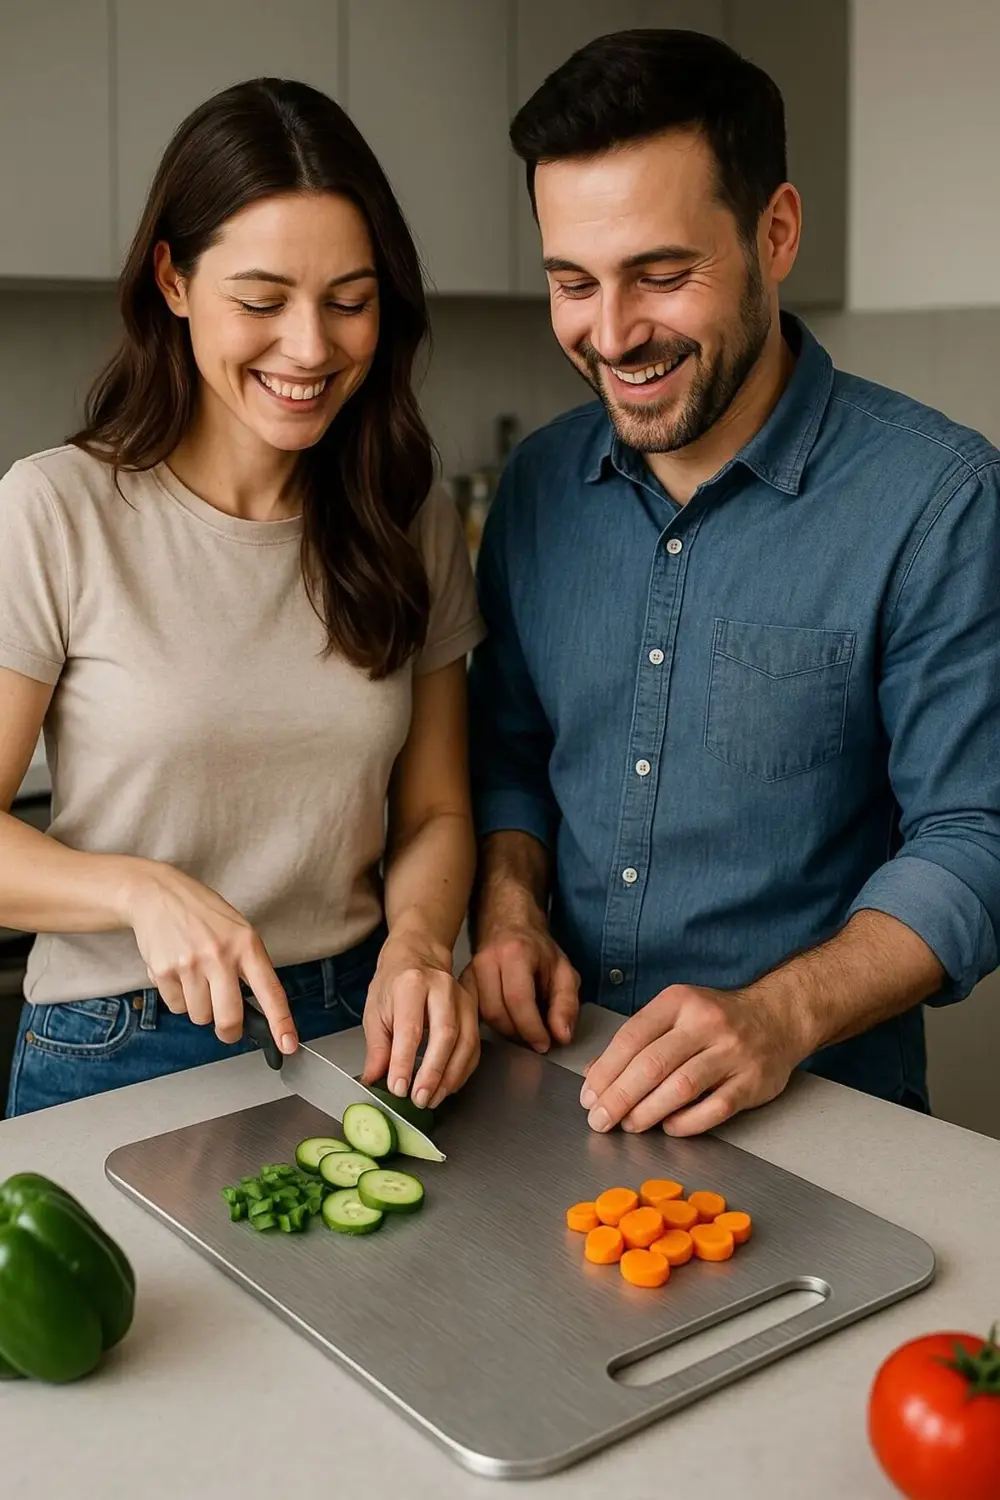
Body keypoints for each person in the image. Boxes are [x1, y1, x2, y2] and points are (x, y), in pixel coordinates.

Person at [463, 30, 1000, 1136]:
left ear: (776, 232)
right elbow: (511, 754)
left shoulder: (939, 499)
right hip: (556, 1089)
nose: (614, 334)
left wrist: (777, 1015)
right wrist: (509, 905)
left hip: (823, 1119)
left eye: (663, 276)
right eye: (573, 283)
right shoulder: (535, 488)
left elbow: (975, 835)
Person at [0, 78, 485, 1118]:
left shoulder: (409, 518)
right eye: (262, 302)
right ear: (173, 281)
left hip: (361, 1028)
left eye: (348, 302)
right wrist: (138, 889)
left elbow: (437, 810)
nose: (309, 347)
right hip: (117, 1040)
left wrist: (418, 946)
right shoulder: (56, 509)